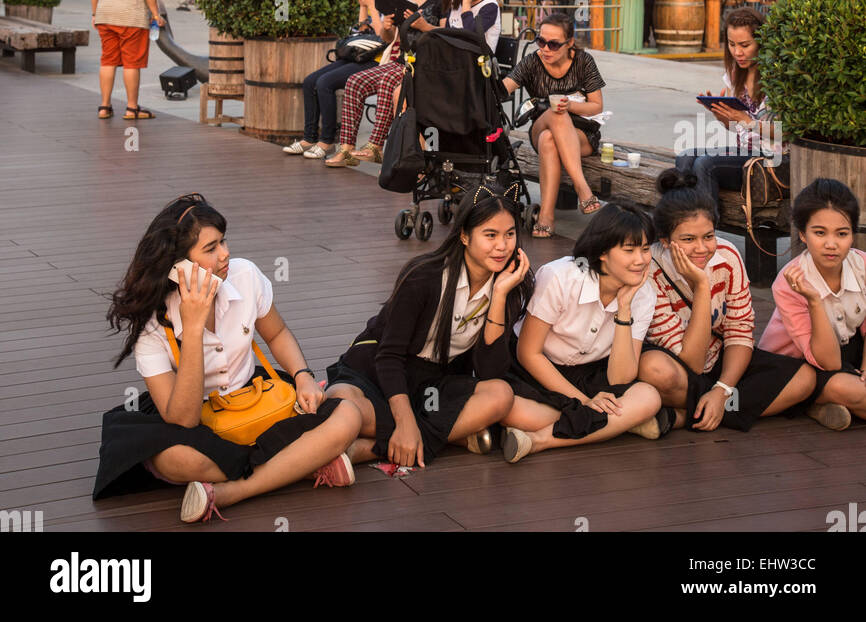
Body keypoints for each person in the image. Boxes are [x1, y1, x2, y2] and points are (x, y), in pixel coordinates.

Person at [93, 193, 362, 521]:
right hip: (194, 418)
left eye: (223, 242)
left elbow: (276, 334)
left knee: (348, 416)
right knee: (176, 460)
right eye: (211, 249)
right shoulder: (153, 322)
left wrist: (303, 375)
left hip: (254, 398)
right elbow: (182, 419)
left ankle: (232, 491)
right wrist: (191, 329)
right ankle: (300, 464)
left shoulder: (244, 275)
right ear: (178, 266)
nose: (226, 254)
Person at [324, 184, 532, 466]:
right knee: (340, 405)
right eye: (490, 235)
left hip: (433, 383)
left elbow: (489, 372)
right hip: (379, 371)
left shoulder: (511, 284)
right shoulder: (424, 276)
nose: (502, 246)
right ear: (464, 236)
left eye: (509, 234)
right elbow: (389, 356)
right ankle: (436, 437)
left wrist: (499, 296)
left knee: (500, 395)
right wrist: (405, 422)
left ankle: (367, 449)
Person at [636, 171, 815, 437]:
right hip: (682, 368)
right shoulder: (650, 272)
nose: (702, 248)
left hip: (720, 362)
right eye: (688, 239)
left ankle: (684, 415)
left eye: (708, 236)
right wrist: (701, 287)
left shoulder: (727, 256)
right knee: (654, 371)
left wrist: (722, 390)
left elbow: (739, 330)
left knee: (805, 379)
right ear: (664, 241)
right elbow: (692, 365)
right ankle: (718, 409)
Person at [499, 202, 662, 462]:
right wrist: (584, 402)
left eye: (645, 249)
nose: (641, 260)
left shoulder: (643, 294)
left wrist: (624, 308)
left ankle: (538, 440)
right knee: (507, 408)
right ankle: (618, 425)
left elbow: (621, 377)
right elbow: (528, 353)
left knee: (648, 397)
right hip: (536, 370)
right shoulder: (560, 277)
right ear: (602, 252)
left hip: (589, 371)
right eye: (630, 250)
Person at [759, 178, 866, 429]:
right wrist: (815, 301)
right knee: (852, 391)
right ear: (802, 235)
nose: (831, 244)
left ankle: (816, 406)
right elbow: (827, 363)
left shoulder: (862, 266)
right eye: (820, 233)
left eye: (842, 233)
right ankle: (806, 401)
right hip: (797, 365)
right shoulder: (789, 281)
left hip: (847, 349)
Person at [285, 0, 414, 161]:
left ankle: (327, 141)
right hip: (361, 53)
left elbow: (383, 36)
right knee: (310, 81)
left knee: (324, 83)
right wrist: (364, 7)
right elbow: (361, 31)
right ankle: (309, 138)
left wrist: (372, 6)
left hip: (378, 59)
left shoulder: (402, 5)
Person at [326, 0, 442, 167]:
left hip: (424, 65)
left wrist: (425, 27)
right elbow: (389, 38)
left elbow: (446, 35)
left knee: (389, 80)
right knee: (355, 81)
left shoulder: (442, 0)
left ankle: (376, 147)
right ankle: (347, 149)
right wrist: (387, 27)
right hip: (401, 61)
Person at [501, 12, 605, 235]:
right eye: (541, 41)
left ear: (570, 44)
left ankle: (547, 215)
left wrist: (570, 106)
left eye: (554, 44)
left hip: (581, 133)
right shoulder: (532, 61)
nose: (545, 49)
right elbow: (504, 87)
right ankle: (582, 187)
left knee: (550, 139)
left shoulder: (583, 61)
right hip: (541, 125)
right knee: (554, 115)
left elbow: (596, 106)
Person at [675, 6, 783, 205]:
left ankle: (707, 227)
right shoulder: (735, 73)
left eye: (745, 45)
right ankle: (685, 220)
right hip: (744, 153)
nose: (737, 52)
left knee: (705, 164)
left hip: (770, 160)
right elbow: (735, 128)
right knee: (684, 158)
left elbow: (784, 133)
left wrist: (745, 120)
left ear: (761, 42)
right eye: (732, 45)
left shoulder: (776, 75)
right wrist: (722, 115)